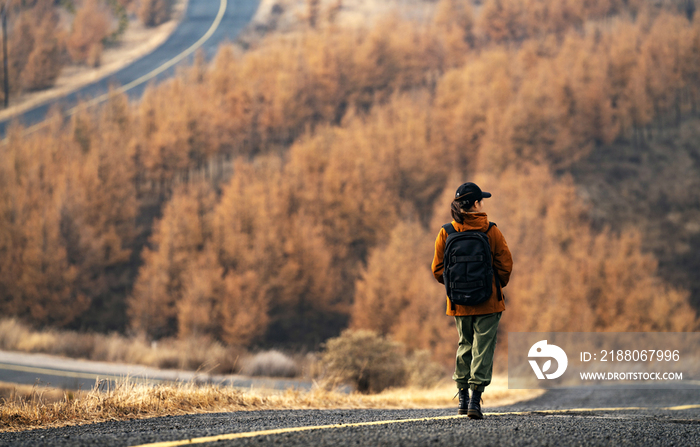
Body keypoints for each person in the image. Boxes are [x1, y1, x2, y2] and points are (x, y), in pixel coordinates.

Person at [431, 182, 513, 419]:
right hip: (488, 301)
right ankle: (475, 401)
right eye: (482, 200)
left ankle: (462, 398)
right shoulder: (491, 231)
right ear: (476, 204)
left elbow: (438, 269)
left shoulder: (446, 231)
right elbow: (505, 265)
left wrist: (457, 287)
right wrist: (493, 285)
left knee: (464, 344)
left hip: (458, 302)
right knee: (483, 348)